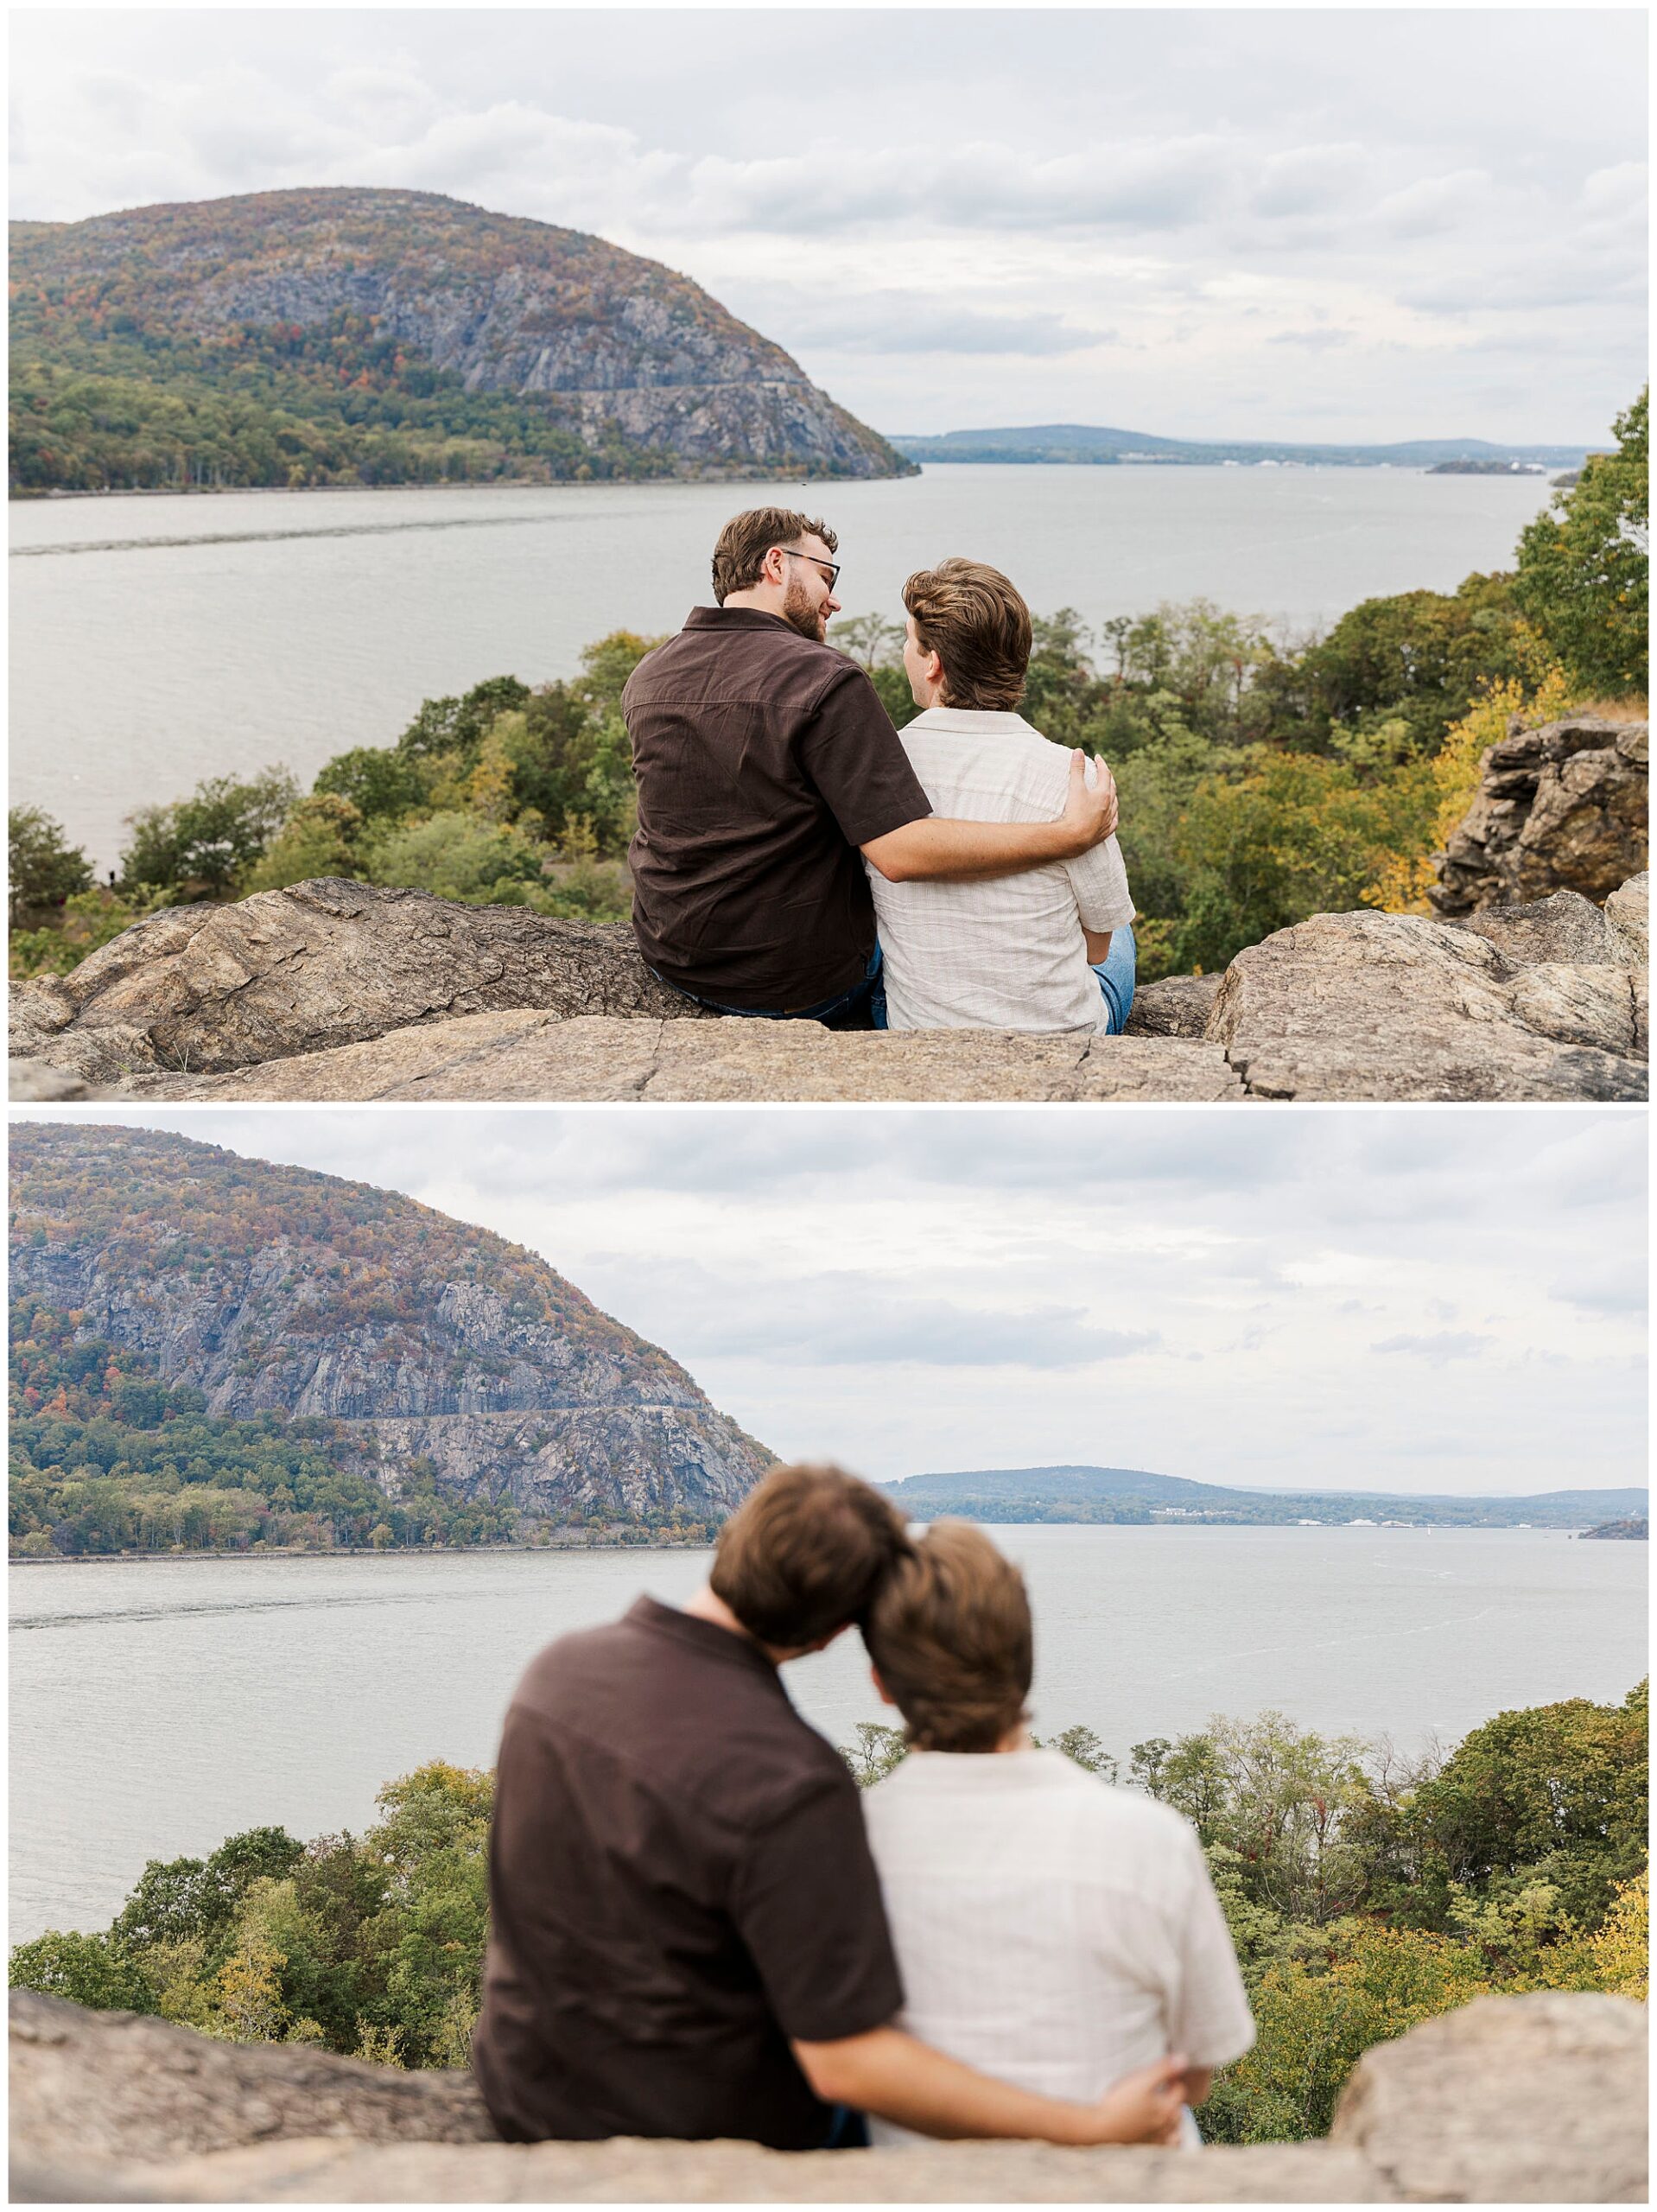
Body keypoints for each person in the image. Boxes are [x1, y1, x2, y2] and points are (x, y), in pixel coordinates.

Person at [473, 1464, 1189, 2152]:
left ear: (733, 1543)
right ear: (832, 1633)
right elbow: (847, 2064)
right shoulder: (790, 1780)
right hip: (691, 2135)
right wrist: (1088, 2129)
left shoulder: (558, 1669)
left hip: (526, 2094)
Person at [624, 510, 1121, 1027]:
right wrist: (1069, 836)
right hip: (794, 988)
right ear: (776, 563)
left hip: (672, 958)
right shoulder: (822, 677)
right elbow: (899, 852)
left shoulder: (650, 673)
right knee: (1112, 940)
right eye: (826, 576)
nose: (833, 599)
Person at [861, 1521, 1255, 2150]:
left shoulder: (841, 1845)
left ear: (881, 1682)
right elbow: (1197, 2074)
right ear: (1026, 1663)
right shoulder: (1150, 1841)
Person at [867, 559, 1140, 1033]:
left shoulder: (877, 772)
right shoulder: (1071, 779)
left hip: (921, 1033)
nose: (904, 653)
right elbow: (1096, 949)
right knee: (1121, 936)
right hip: (1060, 1040)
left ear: (934, 663)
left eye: (909, 642)